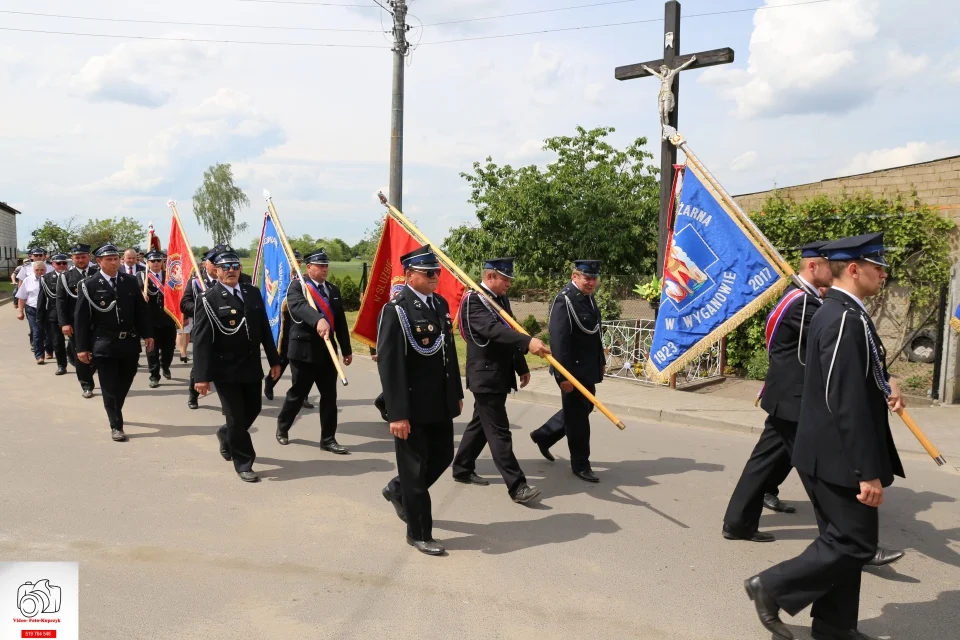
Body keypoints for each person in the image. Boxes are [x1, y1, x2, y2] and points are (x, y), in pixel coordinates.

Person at [745, 232, 905, 640]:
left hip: (829, 452)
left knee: (842, 540)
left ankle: (834, 627)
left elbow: (855, 378)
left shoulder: (842, 312)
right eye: (878, 267)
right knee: (855, 544)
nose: (883, 275)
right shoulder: (840, 317)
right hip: (837, 457)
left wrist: (887, 383)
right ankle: (771, 586)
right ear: (854, 269)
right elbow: (843, 402)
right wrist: (865, 470)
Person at [377, 245, 463, 555]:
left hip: (438, 403)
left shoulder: (439, 304)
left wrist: (456, 394)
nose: (435, 277)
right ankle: (419, 533)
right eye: (429, 273)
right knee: (414, 471)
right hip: (410, 407)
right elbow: (390, 365)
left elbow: (448, 355)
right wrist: (397, 413)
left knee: (441, 457)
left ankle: (398, 490)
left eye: (437, 272)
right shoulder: (396, 310)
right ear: (410, 275)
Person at [451, 257, 548, 504]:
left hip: (499, 373)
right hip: (485, 375)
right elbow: (494, 331)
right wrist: (528, 342)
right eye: (505, 279)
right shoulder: (475, 300)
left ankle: (462, 467)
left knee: (480, 424)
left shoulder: (498, 299)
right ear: (490, 276)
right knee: (499, 431)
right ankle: (517, 486)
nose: (509, 284)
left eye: (510, 279)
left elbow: (510, 330)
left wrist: (521, 365)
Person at [192, 249, 281, 483]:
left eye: (235, 266)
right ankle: (244, 462)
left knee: (253, 409)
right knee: (235, 416)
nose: (231, 271)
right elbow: (201, 341)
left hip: (250, 365)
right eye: (225, 267)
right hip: (225, 369)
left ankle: (225, 434)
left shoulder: (252, 293)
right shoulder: (208, 299)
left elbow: (263, 329)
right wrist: (201, 377)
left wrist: (274, 360)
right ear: (217, 272)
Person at [530, 260, 606, 483]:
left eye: (594, 278)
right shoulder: (564, 300)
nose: (591, 282)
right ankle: (581, 464)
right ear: (575, 276)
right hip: (571, 368)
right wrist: (563, 376)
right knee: (578, 418)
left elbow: (594, 333)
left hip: (587, 367)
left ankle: (544, 435)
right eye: (587, 278)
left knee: (583, 408)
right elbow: (559, 340)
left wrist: (600, 360)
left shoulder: (587, 298)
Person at [74, 244, 155, 442]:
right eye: (108, 259)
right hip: (104, 343)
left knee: (125, 380)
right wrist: (82, 347)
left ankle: (114, 407)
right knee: (109, 385)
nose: (113, 262)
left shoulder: (129, 281)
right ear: (99, 262)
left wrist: (148, 334)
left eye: (116, 258)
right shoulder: (88, 284)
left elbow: (141, 312)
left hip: (128, 342)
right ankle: (116, 425)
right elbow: (81, 318)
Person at [275, 248, 352, 452]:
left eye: (326, 266)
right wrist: (318, 319)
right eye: (320, 266)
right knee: (297, 395)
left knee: (329, 397)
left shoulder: (332, 290)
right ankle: (283, 427)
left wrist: (346, 349)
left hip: (327, 353)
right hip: (303, 352)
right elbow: (299, 306)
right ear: (308, 268)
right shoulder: (297, 287)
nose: (324, 269)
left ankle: (328, 439)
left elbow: (341, 322)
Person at [180, 245, 249, 409]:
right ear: (208, 264)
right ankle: (193, 394)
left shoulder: (243, 279)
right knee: (200, 365)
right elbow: (185, 304)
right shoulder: (196, 282)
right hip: (206, 331)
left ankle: (229, 404)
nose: (228, 268)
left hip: (233, 332)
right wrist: (206, 306)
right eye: (215, 262)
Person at [264, 249, 315, 409]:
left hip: (302, 323)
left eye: (299, 261)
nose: (297, 264)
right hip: (285, 324)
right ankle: (270, 382)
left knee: (301, 364)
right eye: (294, 261)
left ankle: (302, 395)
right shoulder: (282, 278)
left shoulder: (305, 279)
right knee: (283, 359)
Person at [57, 244, 100, 398]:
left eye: (83, 256)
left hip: (98, 322)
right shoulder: (65, 277)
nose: (80, 260)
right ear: (72, 259)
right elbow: (61, 302)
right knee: (80, 355)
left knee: (98, 353)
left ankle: (91, 370)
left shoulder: (99, 274)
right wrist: (64, 323)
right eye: (77, 257)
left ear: (89, 257)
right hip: (76, 324)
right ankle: (87, 384)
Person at [139, 250, 177, 388]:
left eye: (158, 260)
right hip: (150, 320)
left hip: (168, 318)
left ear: (162, 262)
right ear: (147, 262)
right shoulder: (142, 276)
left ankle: (165, 366)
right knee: (152, 350)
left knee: (169, 349)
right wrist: (140, 294)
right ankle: (154, 375)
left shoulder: (170, 276)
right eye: (152, 261)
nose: (156, 263)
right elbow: (133, 293)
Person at [36, 253, 71, 374]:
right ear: (53, 264)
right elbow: (42, 299)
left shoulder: (72, 276)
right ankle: (62, 365)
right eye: (58, 263)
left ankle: (76, 360)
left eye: (64, 263)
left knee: (76, 341)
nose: (62, 265)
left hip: (72, 313)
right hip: (54, 314)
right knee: (57, 341)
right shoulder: (46, 278)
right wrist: (39, 317)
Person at [16, 260, 50, 364]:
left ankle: (49, 350)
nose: (40, 272)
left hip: (48, 309)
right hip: (32, 309)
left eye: (42, 270)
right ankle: (39, 355)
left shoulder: (50, 279)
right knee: (37, 332)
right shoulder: (28, 280)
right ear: (33, 270)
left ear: (45, 270)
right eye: (37, 270)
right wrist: (20, 311)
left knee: (49, 332)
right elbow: (22, 297)